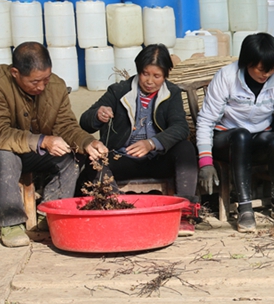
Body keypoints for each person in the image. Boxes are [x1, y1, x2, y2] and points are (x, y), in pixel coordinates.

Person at [0, 42, 108, 248]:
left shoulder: (56, 86)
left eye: (46, 79)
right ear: (15, 73)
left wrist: (87, 142)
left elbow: (66, 125)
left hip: (32, 153)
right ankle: (11, 222)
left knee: (71, 156)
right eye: (34, 82)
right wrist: (43, 141)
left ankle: (48, 214)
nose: (41, 86)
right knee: (6, 155)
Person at [195, 33, 274, 233]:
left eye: (271, 69)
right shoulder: (227, 77)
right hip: (226, 139)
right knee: (241, 136)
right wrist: (205, 161)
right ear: (247, 63)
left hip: (257, 138)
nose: (266, 74)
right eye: (261, 69)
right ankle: (245, 208)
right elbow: (205, 120)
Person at [79, 44, 199, 236]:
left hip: (157, 159)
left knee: (185, 148)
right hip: (123, 159)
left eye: (156, 76)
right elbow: (85, 121)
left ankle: (185, 214)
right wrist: (97, 115)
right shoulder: (119, 91)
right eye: (145, 74)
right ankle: (117, 210)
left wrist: (152, 143)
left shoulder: (172, 93)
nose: (149, 81)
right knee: (95, 159)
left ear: (166, 75)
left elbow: (180, 127)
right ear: (138, 71)